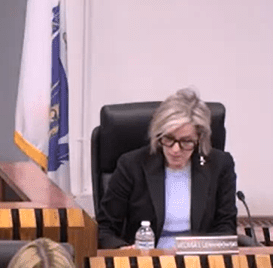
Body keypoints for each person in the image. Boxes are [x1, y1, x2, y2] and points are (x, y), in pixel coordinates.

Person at [96, 88, 236, 249]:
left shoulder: (219, 165)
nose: (175, 149)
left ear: (199, 139)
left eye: (186, 141)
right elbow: (104, 229)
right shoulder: (131, 165)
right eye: (168, 139)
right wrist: (123, 250)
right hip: (146, 263)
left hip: (198, 261)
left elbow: (226, 228)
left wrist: (192, 249)